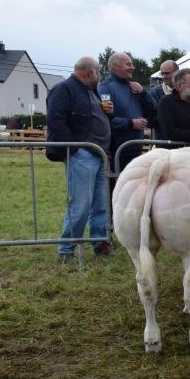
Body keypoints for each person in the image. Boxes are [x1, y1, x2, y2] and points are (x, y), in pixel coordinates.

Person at [46, 57, 114, 262]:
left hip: (100, 155)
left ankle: (100, 242)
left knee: (101, 204)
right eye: (99, 72)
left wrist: (108, 113)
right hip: (83, 155)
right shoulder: (64, 89)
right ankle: (66, 249)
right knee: (81, 205)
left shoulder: (91, 91)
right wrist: (74, 149)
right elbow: (55, 120)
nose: (100, 75)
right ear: (90, 72)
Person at [98, 52, 155, 177]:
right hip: (116, 150)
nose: (133, 68)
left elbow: (154, 110)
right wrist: (130, 124)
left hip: (135, 149)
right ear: (114, 66)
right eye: (128, 64)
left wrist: (144, 93)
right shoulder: (105, 88)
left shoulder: (134, 86)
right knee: (116, 189)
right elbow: (104, 120)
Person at [147, 60, 178, 141]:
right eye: (162, 73)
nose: (164, 76)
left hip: (186, 142)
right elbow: (150, 121)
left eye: (167, 73)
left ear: (177, 72)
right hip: (163, 143)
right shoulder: (155, 93)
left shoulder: (187, 89)